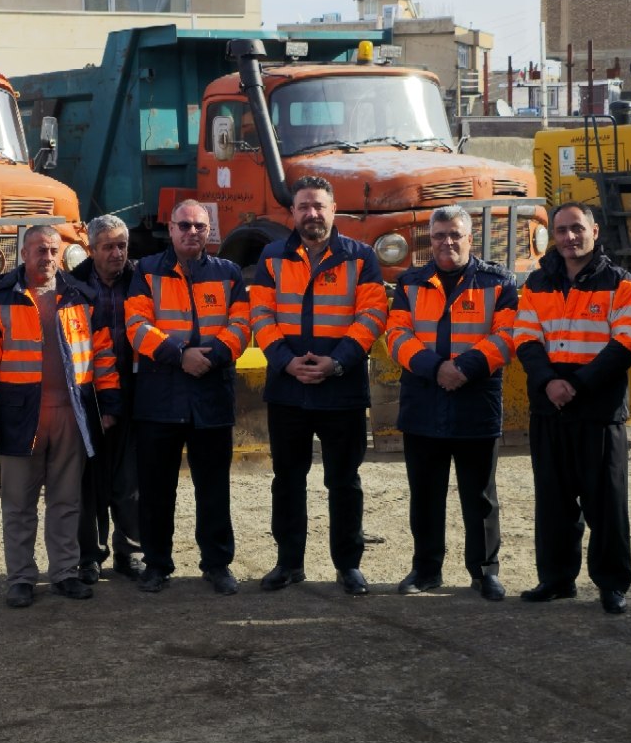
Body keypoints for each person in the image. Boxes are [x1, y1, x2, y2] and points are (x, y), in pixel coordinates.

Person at [246, 176, 387, 595]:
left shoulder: (361, 258)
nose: (312, 213)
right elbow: (260, 315)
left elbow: (372, 316)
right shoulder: (271, 257)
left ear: (333, 208)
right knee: (287, 480)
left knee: (344, 482)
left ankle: (348, 565)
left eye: (319, 206)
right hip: (288, 391)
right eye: (303, 206)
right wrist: (287, 363)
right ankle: (289, 563)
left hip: (340, 390)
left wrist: (337, 363)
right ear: (293, 213)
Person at [0, 222, 122, 605]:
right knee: (18, 505)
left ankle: (65, 573)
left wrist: (109, 406)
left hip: (71, 416)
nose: (48, 257)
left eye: (54, 250)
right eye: (39, 249)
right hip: (20, 419)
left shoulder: (80, 297)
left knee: (66, 501)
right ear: (23, 253)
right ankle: (20, 578)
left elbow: (102, 356)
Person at [508, 202, 631, 613]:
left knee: (606, 501)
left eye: (577, 229)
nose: (569, 237)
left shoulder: (622, 284)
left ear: (595, 231)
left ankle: (611, 583)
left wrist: (576, 385)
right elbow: (525, 340)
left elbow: (626, 345)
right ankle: (556, 578)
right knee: (553, 500)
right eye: (561, 230)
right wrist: (550, 383)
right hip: (549, 409)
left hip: (598, 411)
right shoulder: (536, 283)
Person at [387, 205, 516, 599]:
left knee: (479, 495)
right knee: (425, 494)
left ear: (470, 238)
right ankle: (426, 570)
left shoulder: (499, 283)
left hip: (475, 401)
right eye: (439, 235)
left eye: (455, 234)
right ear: (431, 240)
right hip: (424, 402)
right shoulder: (409, 284)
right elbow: (396, 336)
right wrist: (436, 368)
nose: (447, 242)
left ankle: (484, 571)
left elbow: (508, 334)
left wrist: (464, 368)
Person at [125, 200, 249, 594]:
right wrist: (180, 356)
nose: (192, 232)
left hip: (210, 397)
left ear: (209, 229)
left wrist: (211, 358)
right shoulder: (145, 272)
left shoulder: (229, 274)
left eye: (199, 226)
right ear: (171, 228)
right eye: (184, 226)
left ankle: (217, 564)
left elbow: (242, 324)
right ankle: (157, 564)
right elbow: (136, 326)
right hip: (161, 398)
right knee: (156, 490)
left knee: (213, 488)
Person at [69, 215, 144, 582]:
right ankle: (89, 556)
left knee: (130, 478)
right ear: (91, 249)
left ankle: (130, 552)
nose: (117, 253)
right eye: (108, 246)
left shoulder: (142, 280)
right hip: (87, 394)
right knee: (89, 480)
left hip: (134, 390)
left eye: (122, 246)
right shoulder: (72, 285)